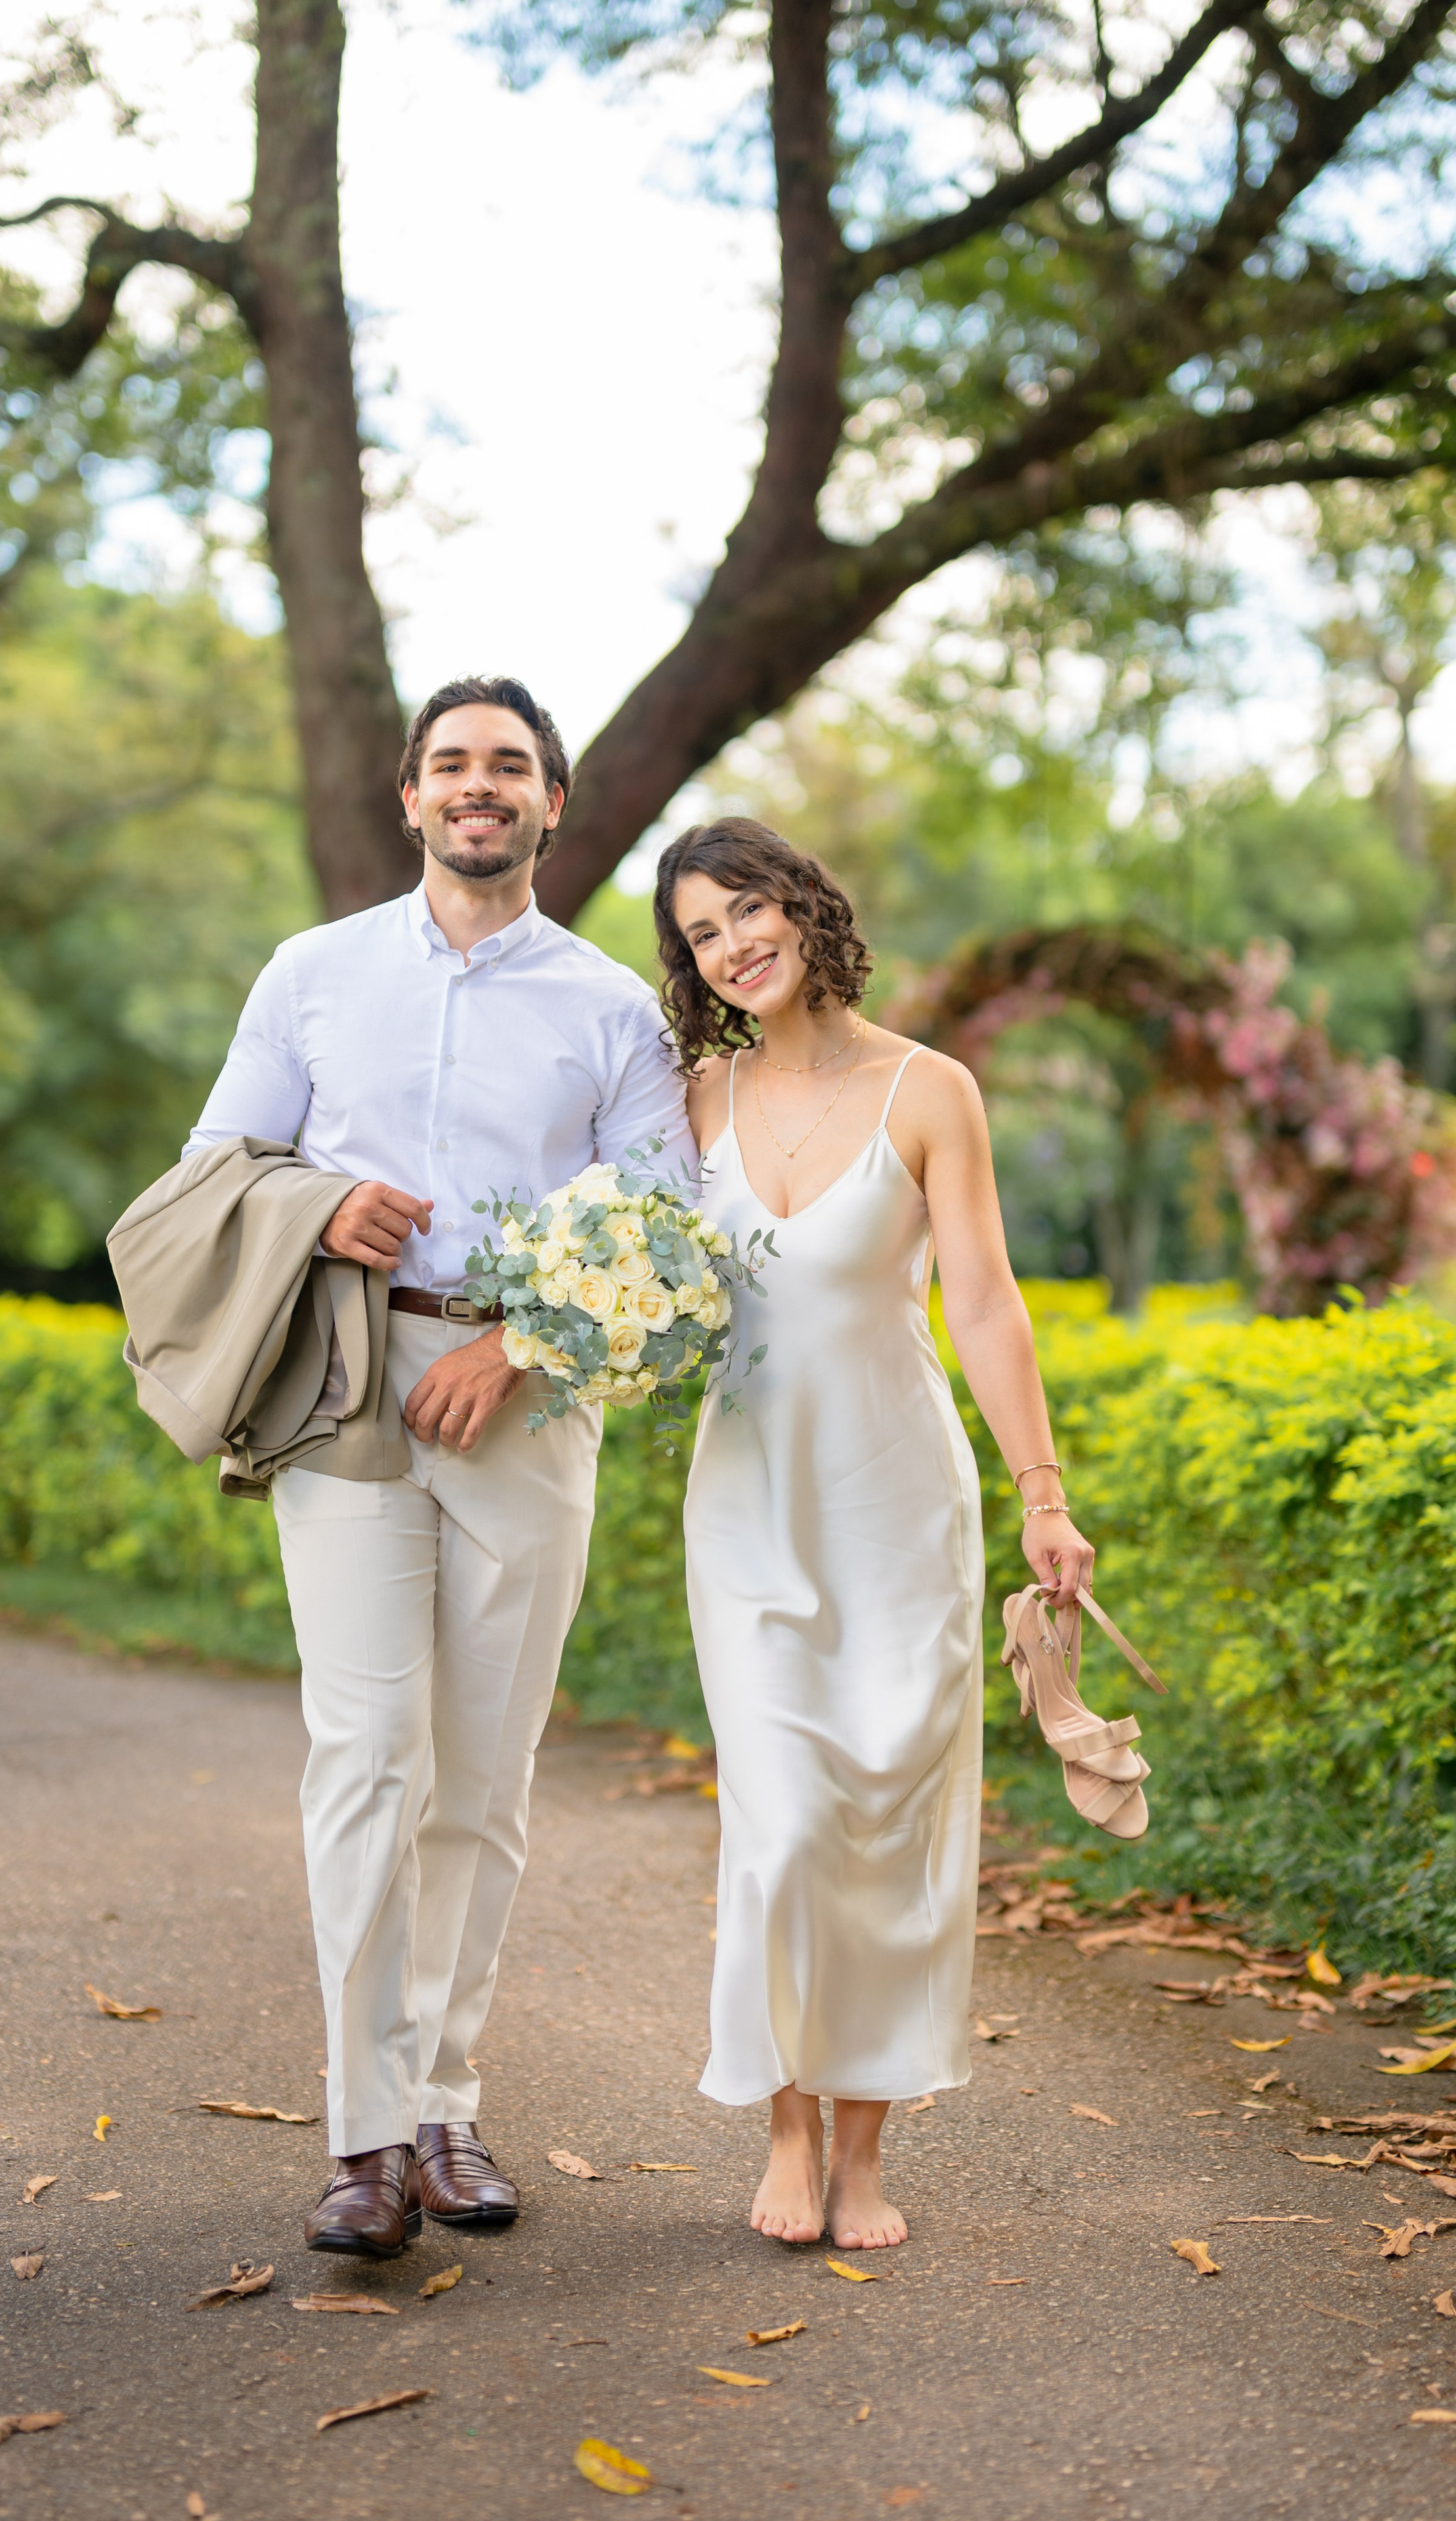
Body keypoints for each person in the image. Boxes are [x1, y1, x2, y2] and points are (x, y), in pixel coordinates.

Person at [186, 675, 694, 2257]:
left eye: (512, 768)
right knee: (365, 1758)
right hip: (346, 1379)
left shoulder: (612, 1005)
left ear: (552, 803)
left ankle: (442, 2105)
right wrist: (320, 1208)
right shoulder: (314, 972)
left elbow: (671, 1231)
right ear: (410, 797)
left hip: (527, 1398)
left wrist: (522, 1349)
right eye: (454, 765)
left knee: (481, 1772)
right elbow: (219, 1167)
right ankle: (358, 2138)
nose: (482, 787)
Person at [654, 817, 1096, 2252]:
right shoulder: (692, 1099)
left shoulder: (928, 1088)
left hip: (898, 1502)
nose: (732, 946)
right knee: (780, 1824)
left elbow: (983, 1300)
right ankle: (784, 2126)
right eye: (701, 934)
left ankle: (861, 2151)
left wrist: (1042, 1494)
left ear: (800, 904)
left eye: (745, 910)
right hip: (747, 1501)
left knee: (890, 1822)